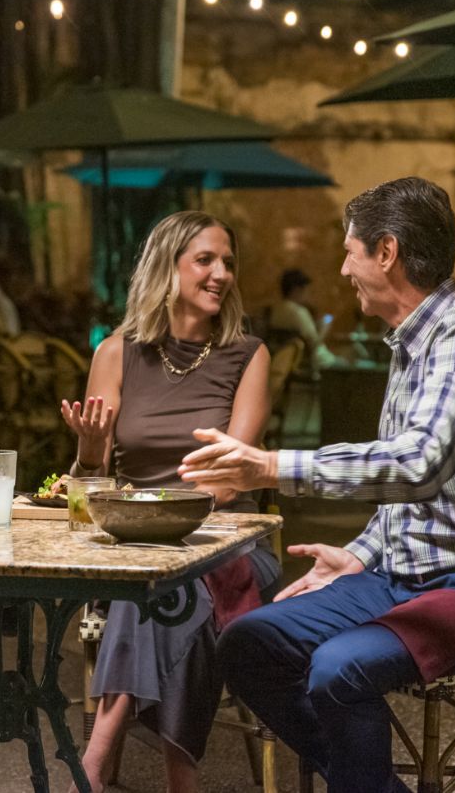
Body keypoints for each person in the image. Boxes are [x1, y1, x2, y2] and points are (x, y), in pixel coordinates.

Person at [178, 177, 455, 793]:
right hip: (401, 578)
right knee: (247, 642)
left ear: (386, 251)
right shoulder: (412, 344)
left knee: (338, 668)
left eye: (350, 250)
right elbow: (417, 490)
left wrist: (272, 467)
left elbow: (418, 465)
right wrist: (361, 553)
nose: (343, 267)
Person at [60, 210, 280, 793]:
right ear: (167, 267)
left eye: (228, 262)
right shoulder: (116, 352)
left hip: (226, 542)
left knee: (165, 582)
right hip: (133, 543)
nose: (221, 273)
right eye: (205, 260)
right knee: (159, 581)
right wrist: (87, 452)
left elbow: (232, 478)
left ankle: (93, 763)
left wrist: (166, 519)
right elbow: (89, 487)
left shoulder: (248, 354)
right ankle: (179, 781)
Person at [268, 268, 338, 376]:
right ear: (296, 289)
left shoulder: (276, 310)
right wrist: (325, 328)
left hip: (289, 365)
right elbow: (313, 345)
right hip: (319, 364)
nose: (308, 294)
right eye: (306, 290)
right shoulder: (298, 312)